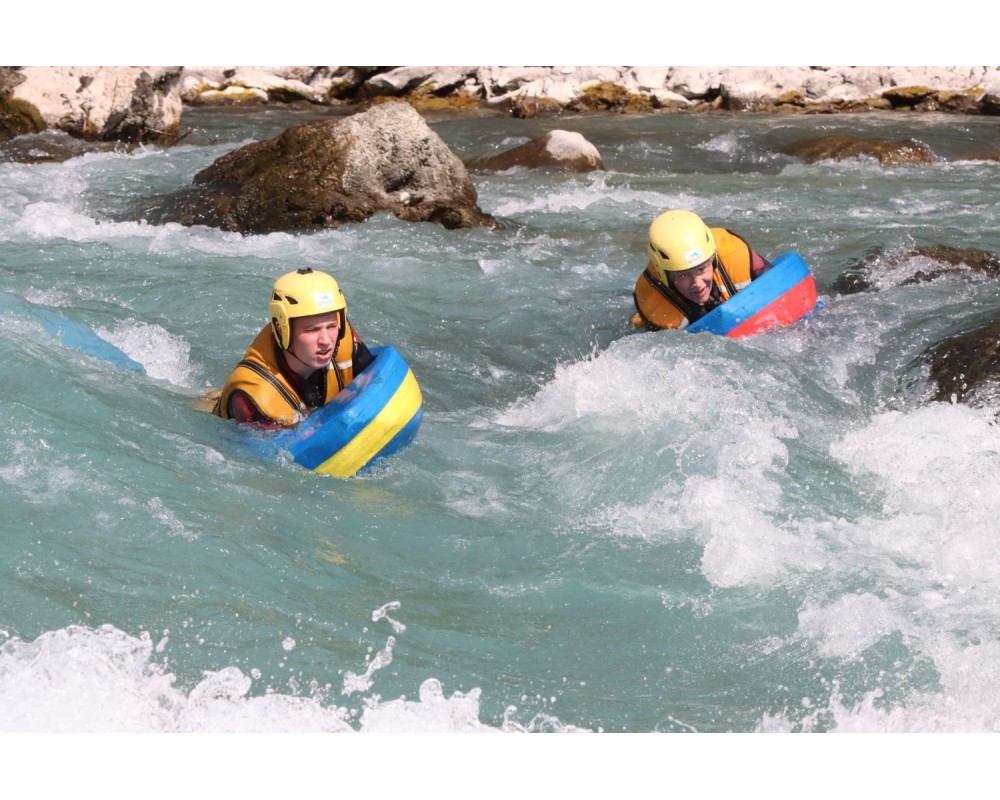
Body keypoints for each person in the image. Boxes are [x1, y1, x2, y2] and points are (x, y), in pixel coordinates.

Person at [213, 267, 374, 426]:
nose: (326, 340)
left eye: (331, 326)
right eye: (312, 330)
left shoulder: (344, 337)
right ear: (281, 330)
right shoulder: (252, 399)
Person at [631, 209, 772, 332]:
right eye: (684, 274)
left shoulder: (734, 252)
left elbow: (780, 285)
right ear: (665, 275)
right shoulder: (655, 306)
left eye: (702, 268)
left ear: (713, 260)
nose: (697, 283)